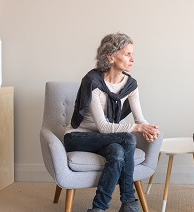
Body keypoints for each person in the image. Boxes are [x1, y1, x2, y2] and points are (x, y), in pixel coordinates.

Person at [64, 32, 160, 212]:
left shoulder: (130, 85)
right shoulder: (93, 82)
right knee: (128, 139)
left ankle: (98, 208)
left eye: (132, 54)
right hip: (78, 137)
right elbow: (104, 126)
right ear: (111, 56)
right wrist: (138, 128)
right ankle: (129, 201)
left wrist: (148, 128)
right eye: (127, 54)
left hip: (105, 138)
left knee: (117, 152)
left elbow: (140, 119)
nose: (133, 59)